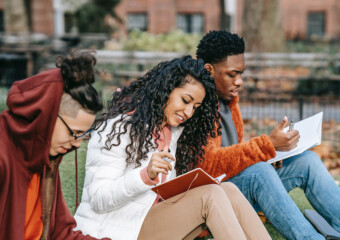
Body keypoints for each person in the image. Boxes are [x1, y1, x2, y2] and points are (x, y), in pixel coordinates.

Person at [74, 56, 271, 240]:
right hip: (115, 229)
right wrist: (145, 175)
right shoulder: (117, 128)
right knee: (210, 196)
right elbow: (99, 200)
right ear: (166, 89)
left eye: (195, 107)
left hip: (146, 219)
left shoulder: (171, 132)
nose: (188, 112)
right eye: (185, 100)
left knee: (228, 189)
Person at [196, 30, 340, 240]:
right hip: (213, 198)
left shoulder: (229, 101)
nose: (240, 81)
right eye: (232, 74)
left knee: (307, 161)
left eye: (241, 73)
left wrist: (270, 155)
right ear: (209, 70)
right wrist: (265, 147)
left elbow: (230, 152)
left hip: (237, 185)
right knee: (259, 172)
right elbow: (208, 166)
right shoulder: (195, 105)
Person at [0, 50, 108, 239]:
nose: (76, 143)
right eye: (72, 132)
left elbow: (61, 232)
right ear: (46, 115)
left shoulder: (45, 161)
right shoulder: (4, 155)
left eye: (83, 135)